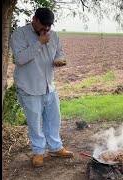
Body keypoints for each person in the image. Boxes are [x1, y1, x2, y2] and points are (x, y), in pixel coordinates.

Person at [10, 7, 73, 167]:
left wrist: (59, 60)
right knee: (35, 122)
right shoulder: (19, 34)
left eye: (49, 26)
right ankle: (38, 152)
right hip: (29, 87)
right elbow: (20, 59)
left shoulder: (54, 36)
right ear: (34, 19)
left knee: (54, 119)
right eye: (43, 25)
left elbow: (59, 52)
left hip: (49, 86)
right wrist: (39, 43)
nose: (46, 29)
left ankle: (55, 148)